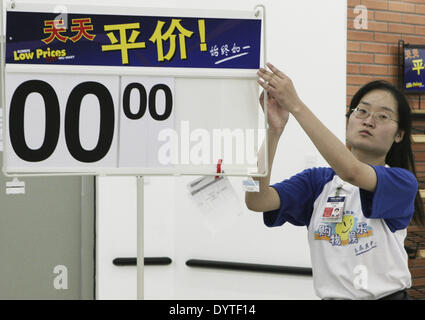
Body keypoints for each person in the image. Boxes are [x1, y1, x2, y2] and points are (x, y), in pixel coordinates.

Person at [245, 62, 425, 300]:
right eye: (362, 111)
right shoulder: (317, 182)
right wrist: (273, 132)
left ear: (399, 134)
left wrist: (296, 105)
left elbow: (352, 172)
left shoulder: (401, 182)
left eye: (382, 116)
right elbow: (256, 199)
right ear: (349, 118)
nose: (368, 121)